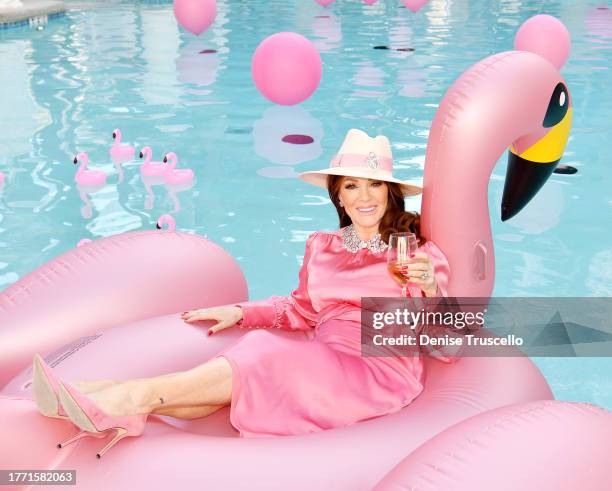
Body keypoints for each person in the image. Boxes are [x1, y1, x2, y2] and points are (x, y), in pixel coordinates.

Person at [33, 128, 450, 450]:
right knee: (257, 347)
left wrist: (430, 288)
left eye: (374, 185)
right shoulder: (323, 247)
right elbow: (301, 310)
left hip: (377, 368)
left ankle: (116, 396)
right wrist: (242, 312)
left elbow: (446, 341)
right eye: (352, 186)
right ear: (338, 195)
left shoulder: (415, 252)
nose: (364, 197)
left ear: (390, 192)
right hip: (328, 351)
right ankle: (121, 402)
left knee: (264, 355)